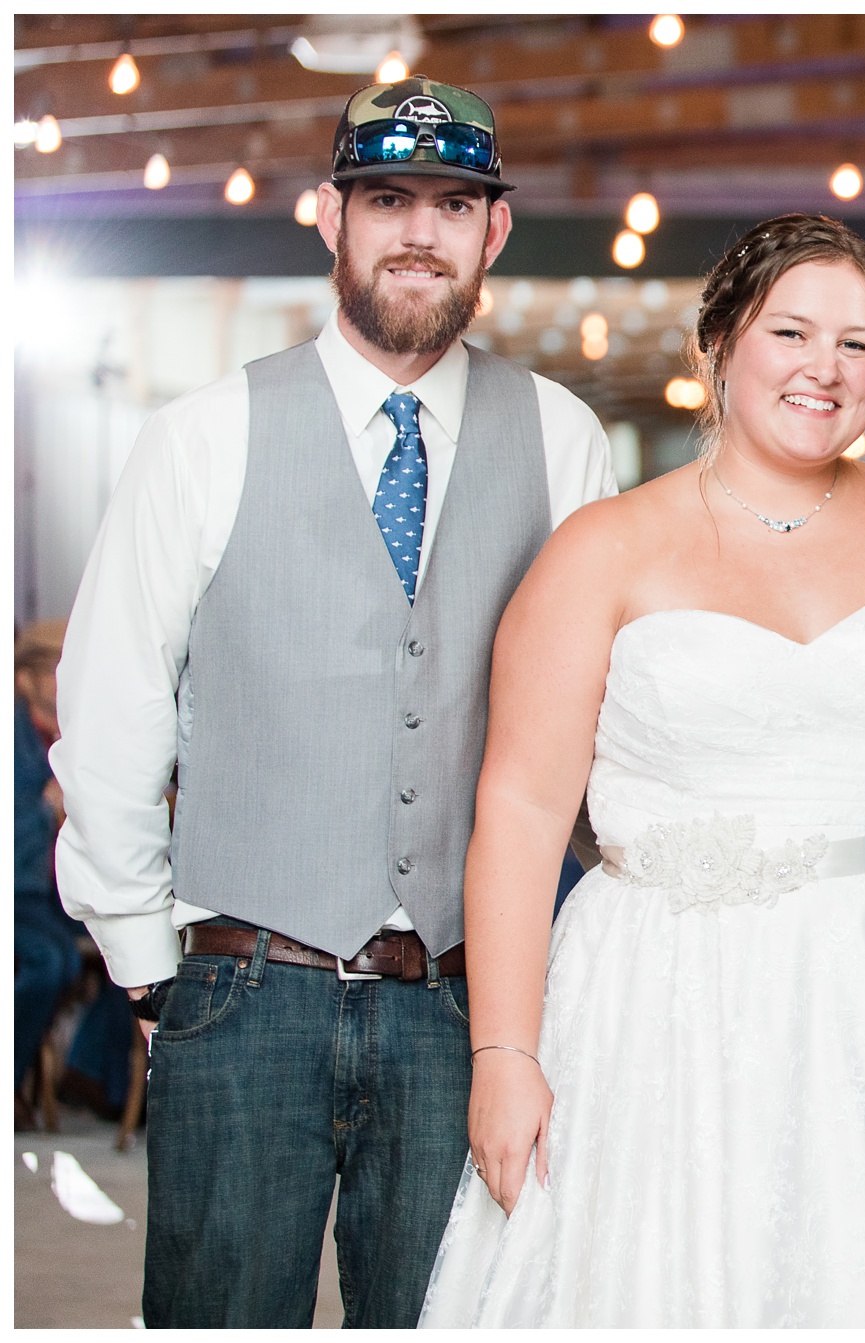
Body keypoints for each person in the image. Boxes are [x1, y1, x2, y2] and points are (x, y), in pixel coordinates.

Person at [50, 77, 617, 1327]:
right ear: (330, 216)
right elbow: (111, 714)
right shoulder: (203, 434)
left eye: (453, 203)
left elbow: (604, 719)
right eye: (387, 200)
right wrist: (147, 965)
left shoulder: (565, 437)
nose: (420, 230)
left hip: (470, 999)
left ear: (494, 232)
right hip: (247, 984)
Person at [419, 213, 865, 1327]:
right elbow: (520, 808)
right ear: (718, 346)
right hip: (662, 999)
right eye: (790, 331)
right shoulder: (603, 546)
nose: (824, 368)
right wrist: (503, 1051)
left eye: (855, 343)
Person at [16, 620, 81, 1114]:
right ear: (29, 675)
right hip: (17, 888)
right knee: (50, 962)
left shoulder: (53, 729)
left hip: (43, 889)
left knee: (106, 950)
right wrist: (46, 807)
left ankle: (92, 1075)